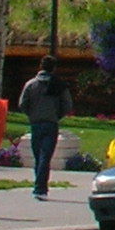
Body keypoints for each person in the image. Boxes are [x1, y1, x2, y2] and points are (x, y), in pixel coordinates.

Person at [17, 55, 72, 199]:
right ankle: (40, 188)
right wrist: (57, 115)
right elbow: (67, 105)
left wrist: (32, 114)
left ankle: (39, 185)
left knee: (38, 156)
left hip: (35, 123)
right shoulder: (58, 85)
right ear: (53, 68)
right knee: (45, 156)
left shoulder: (30, 84)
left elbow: (23, 104)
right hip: (51, 123)